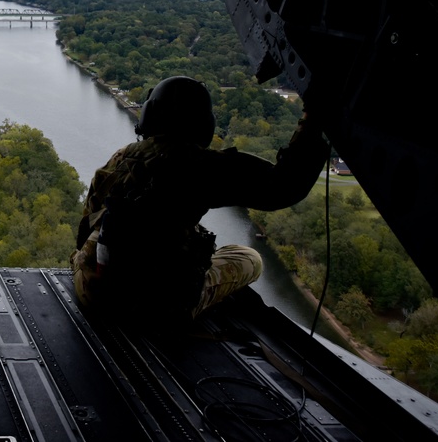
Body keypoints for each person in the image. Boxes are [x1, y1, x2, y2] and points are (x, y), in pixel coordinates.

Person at [70, 76, 329, 329]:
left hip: (91, 289)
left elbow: (86, 225)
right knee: (249, 257)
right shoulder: (200, 166)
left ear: (149, 116)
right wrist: (312, 120)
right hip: (148, 310)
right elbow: (283, 188)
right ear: (204, 125)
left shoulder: (121, 158)